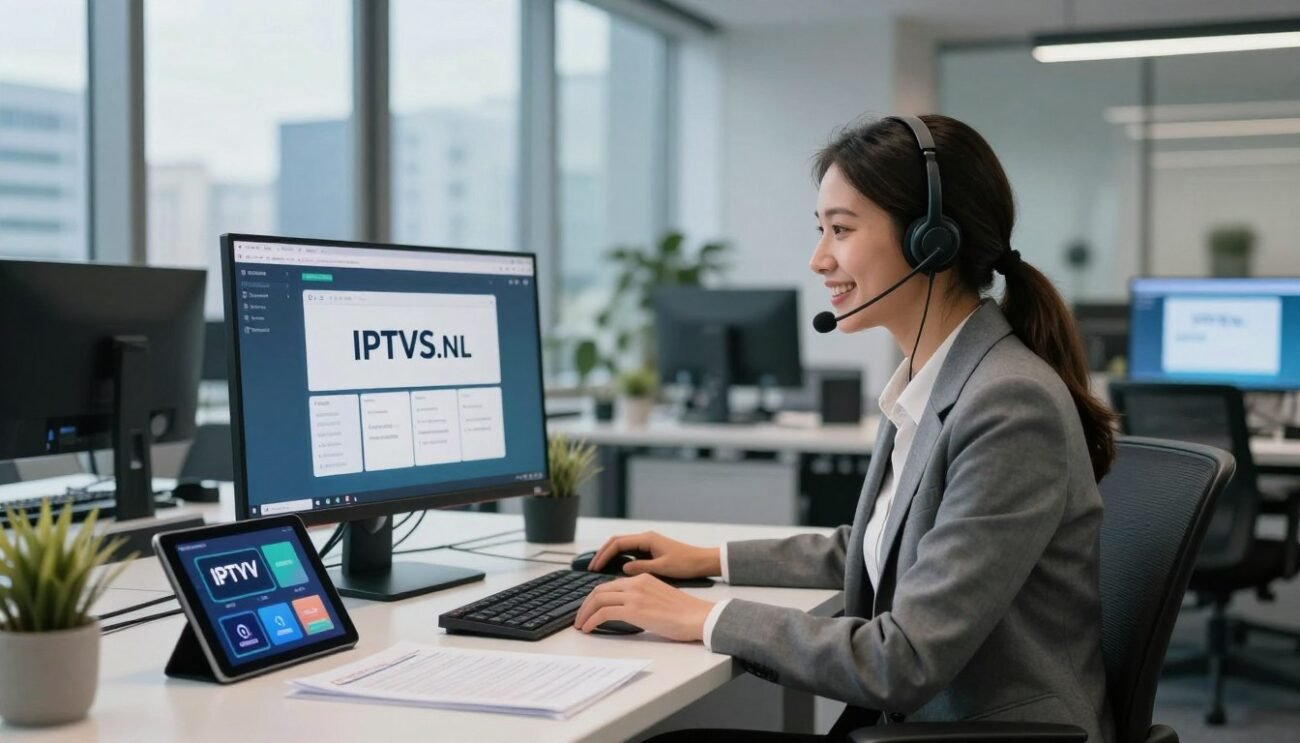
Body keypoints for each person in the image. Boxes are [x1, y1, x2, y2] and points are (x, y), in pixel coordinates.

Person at [574, 114, 1118, 742]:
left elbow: (903, 659)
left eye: (840, 229)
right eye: (820, 230)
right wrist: (708, 559)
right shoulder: (937, 378)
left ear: (930, 242)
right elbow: (881, 545)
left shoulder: (1008, 404)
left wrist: (705, 618)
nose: (818, 259)